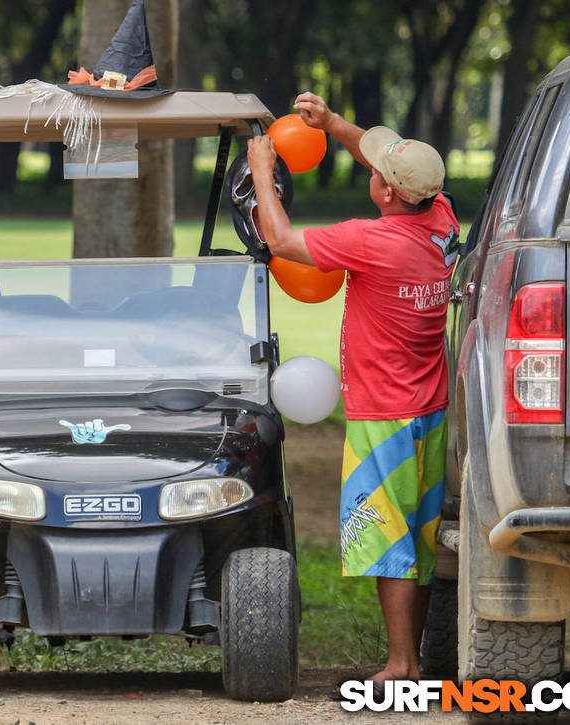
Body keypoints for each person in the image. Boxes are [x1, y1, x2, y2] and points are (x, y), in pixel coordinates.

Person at [248, 92, 459, 686]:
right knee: (416, 540)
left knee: (389, 541)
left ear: (389, 194)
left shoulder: (373, 243)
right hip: (430, 409)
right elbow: (391, 170)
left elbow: (284, 243)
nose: (374, 171)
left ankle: (397, 668)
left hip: (384, 417)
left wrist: (264, 171)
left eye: (380, 172)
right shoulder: (439, 218)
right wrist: (336, 125)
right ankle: (411, 659)